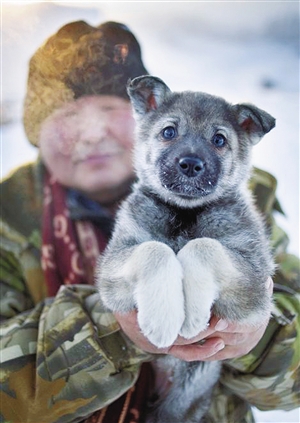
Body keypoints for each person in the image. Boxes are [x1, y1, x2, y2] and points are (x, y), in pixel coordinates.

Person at [0, 20, 299, 423]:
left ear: (142, 111)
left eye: (108, 108)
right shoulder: (7, 219)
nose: (91, 133)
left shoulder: (250, 200)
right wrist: (113, 327)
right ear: (38, 131)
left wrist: (257, 334)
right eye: (68, 114)